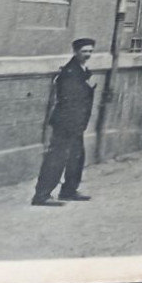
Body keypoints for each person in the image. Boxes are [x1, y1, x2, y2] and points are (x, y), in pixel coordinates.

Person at [31, 37, 97, 206]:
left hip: (76, 123)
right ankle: (41, 195)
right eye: (84, 51)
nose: (88, 54)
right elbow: (69, 101)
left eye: (90, 51)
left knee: (76, 158)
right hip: (67, 123)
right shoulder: (70, 72)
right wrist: (73, 124)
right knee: (56, 158)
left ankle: (68, 191)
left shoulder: (81, 70)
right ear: (75, 52)